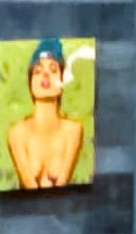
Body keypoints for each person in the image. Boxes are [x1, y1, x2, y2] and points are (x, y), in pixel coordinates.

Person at [5, 42, 88, 191]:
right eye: (37, 71)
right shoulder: (17, 134)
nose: (45, 75)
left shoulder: (73, 131)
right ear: (30, 82)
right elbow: (29, 186)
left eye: (53, 70)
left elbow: (62, 186)